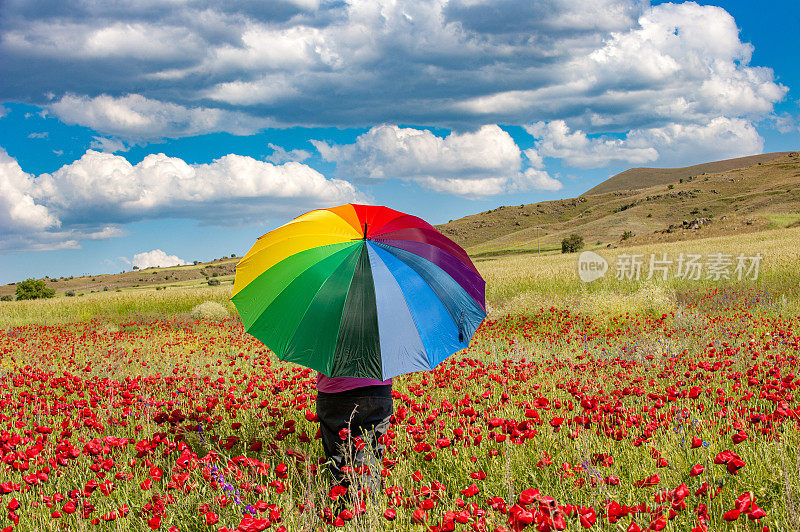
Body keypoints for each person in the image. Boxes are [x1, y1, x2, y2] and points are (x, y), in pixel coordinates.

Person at [315, 372, 393, 496]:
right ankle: (365, 510)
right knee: (368, 460)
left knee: (339, 458)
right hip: (375, 387)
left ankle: (341, 510)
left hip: (332, 389)